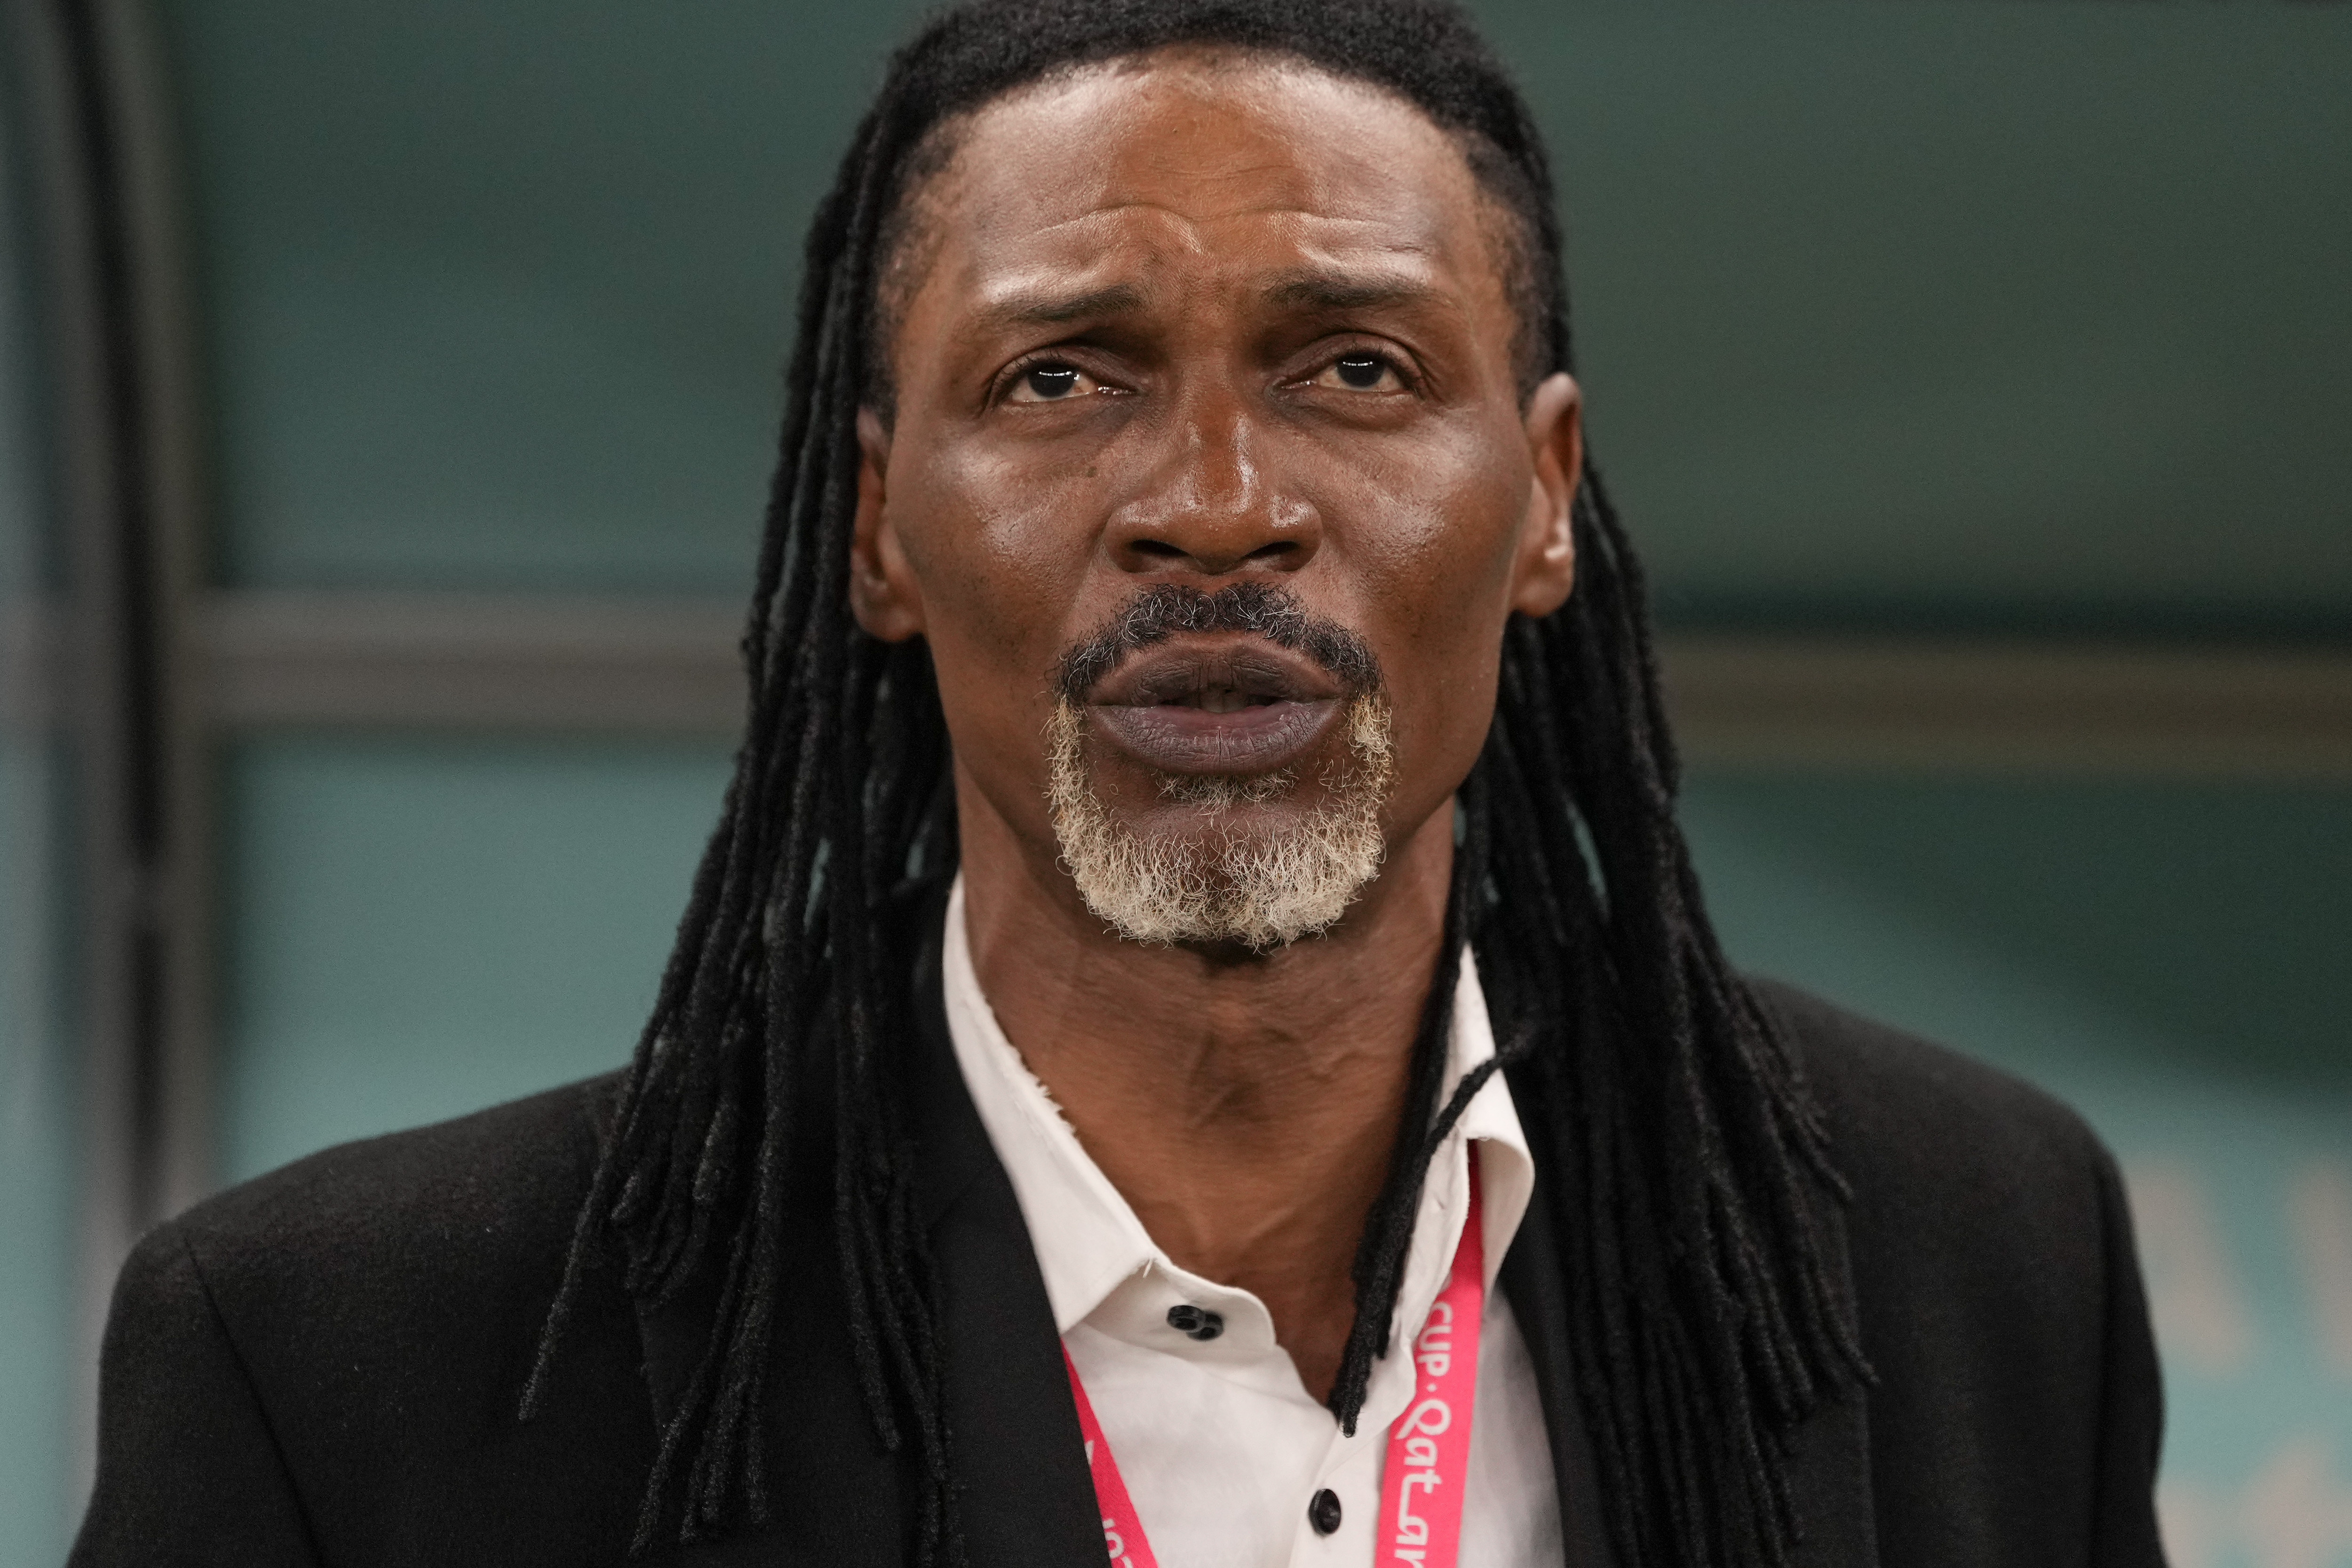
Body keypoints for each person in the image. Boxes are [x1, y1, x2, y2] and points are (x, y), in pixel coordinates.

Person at [70, 1, 2168, 1564]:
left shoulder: (1961, 1255)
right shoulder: (362, 1369)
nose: (1217, 511)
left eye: (1353, 368)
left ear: (1540, 500)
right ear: (878, 527)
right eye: (1059, 377)